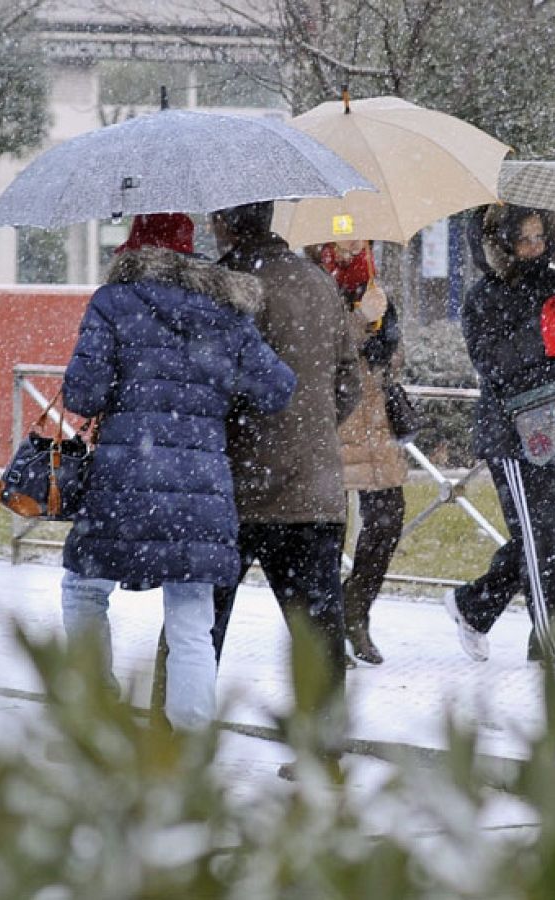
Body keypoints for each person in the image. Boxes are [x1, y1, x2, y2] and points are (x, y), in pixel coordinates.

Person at [60, 213, 295, 732]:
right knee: (191, 618)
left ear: (133, 247)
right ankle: (190, 738)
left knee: (84, 590)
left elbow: (82, 395)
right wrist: (214, 390)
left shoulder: (113, 303)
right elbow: (277, 388)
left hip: (122, 485)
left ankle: (94, 708)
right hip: (201, 491)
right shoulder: (225, 310)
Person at [444, 204, 555, 672]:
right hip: (511, 433)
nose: (534, 247)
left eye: (539, 238)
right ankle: (552, 642)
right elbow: (495, 364)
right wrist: (538, 322)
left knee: (548, 536)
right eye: (524, 239)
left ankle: (473, 604)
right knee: (536, 537)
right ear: (504, 243)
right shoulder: (484, 297)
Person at [202, 201, 362, 727]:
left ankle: (176, 739)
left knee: (197, 625)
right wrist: (310, 430)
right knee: (319, 630)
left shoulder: (228, 285)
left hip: (236, 490)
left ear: (225, 223)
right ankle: (326, 748)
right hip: (313, 486)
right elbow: (348, 380)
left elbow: (215, 384)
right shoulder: (318, 281)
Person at [312, 240, 408, 666]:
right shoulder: (311, 285)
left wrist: (383, 323)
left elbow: (391, 358)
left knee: (387, 520)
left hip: (374, 425)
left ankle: (356, 610)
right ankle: (324, 632)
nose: (352, 245)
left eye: (360, 238)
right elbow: (312, 350)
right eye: (343, 237)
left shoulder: (373, 284)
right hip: (327, 423)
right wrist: (357, 320)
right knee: (325, 536)